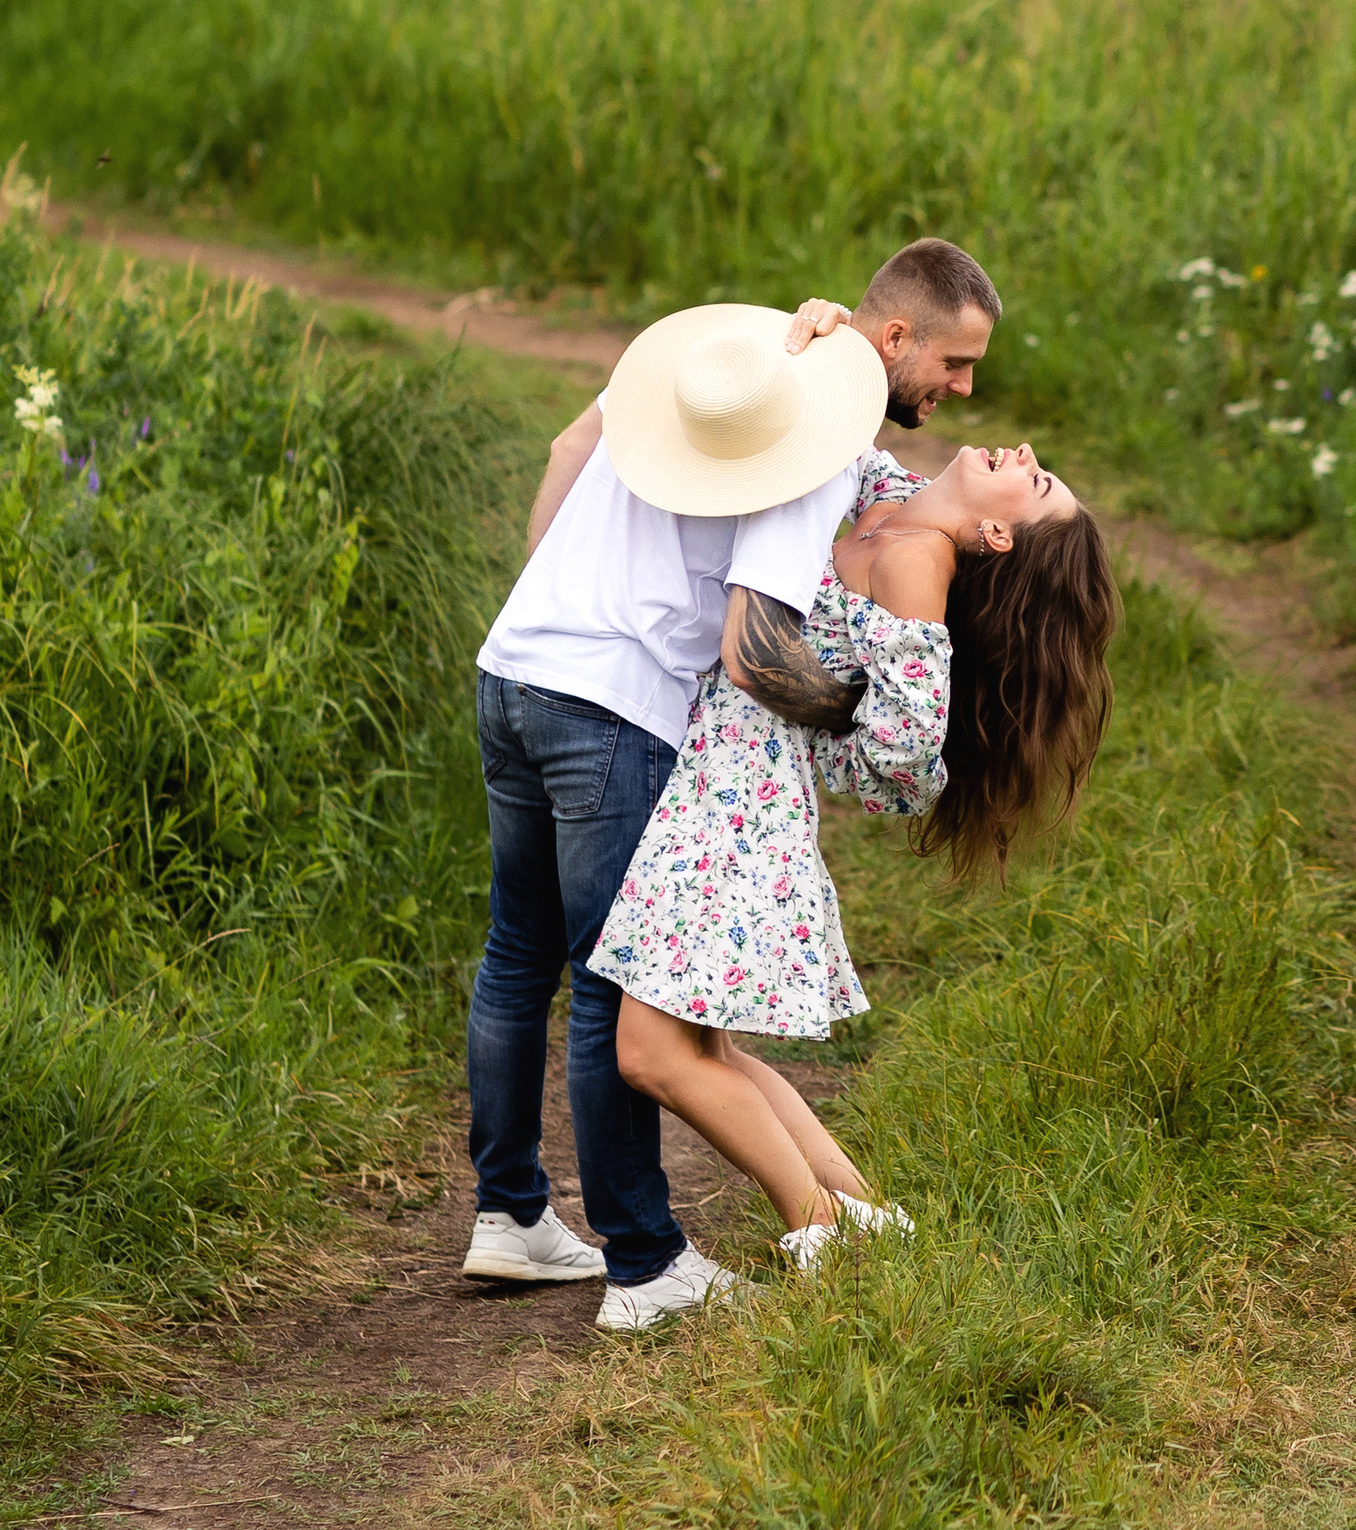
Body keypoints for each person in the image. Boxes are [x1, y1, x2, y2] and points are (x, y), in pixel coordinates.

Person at [462, 240, 1004, 1331]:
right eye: (953, 362)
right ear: (892, 337)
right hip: (613, 704)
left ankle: (512, 1217)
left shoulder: (725, 355)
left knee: (517, 954)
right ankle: (646, 1265)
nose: (963, 391)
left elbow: (572, 446)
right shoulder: (815, 436)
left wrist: (552, 605)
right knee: (614, 987)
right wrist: (871, 723)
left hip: (516, 663)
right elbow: (755, 650)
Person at [589, 438, 1118, 1270]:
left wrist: (829, 713)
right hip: (718, 783)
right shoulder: (900, 503)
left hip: (735, 806)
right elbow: (840, 432)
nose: (1024, 452)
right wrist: (832, 334)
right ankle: (869, 1219)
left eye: (1038, 479)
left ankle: (819, 1230)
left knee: (650, 1053)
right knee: (703, 1049)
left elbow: (906, 751)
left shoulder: (916, 560)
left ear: (1001, 535)